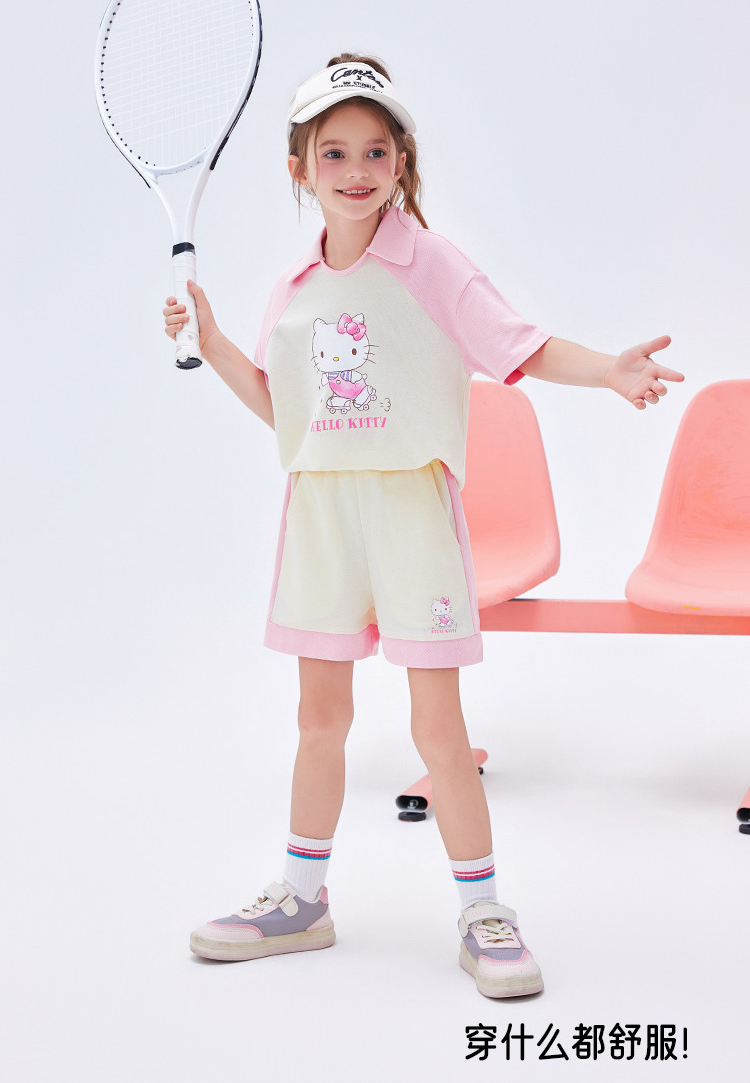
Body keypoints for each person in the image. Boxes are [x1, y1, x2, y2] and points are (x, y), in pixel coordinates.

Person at [163, 54, 684, 998]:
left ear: (401, 160)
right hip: (320, 514)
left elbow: (521, 345)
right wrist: (213, 341)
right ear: (299, 168)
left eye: (376, 150)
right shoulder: (292, 286)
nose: (356, 169)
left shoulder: (431, 262)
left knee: (438, 729)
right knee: (319, 718)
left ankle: (484, 912)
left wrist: (609, 368)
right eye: (334, 152)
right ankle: (302, 901)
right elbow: (286, 412)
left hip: (410, 510)